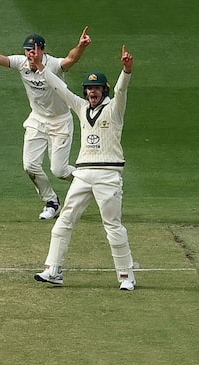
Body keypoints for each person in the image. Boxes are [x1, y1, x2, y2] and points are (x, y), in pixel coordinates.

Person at [30, 45, 138, 290]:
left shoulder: (114, 109)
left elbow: (122, 90)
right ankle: (53, 270)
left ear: (104, 90)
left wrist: (126, 70)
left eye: (97, 88)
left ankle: (126, 276)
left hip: (108, 174)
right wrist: (39, 66)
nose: (92, 92)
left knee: (112, 225)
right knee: (65, 219)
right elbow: (60, 88)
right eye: (89, 88)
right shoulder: (80, 107)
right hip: (83, 173)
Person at [0, 28, 91, 220]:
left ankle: (91, 180)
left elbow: (70, 60)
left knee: (60, 171)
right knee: (30, 166)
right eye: (27, 50)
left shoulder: (52, 65)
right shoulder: (22, 63)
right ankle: (52, 202)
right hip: (37, 120)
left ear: (42, 50)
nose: (30, 53)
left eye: (33, 50)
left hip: (60, 121)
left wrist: (81, 46)